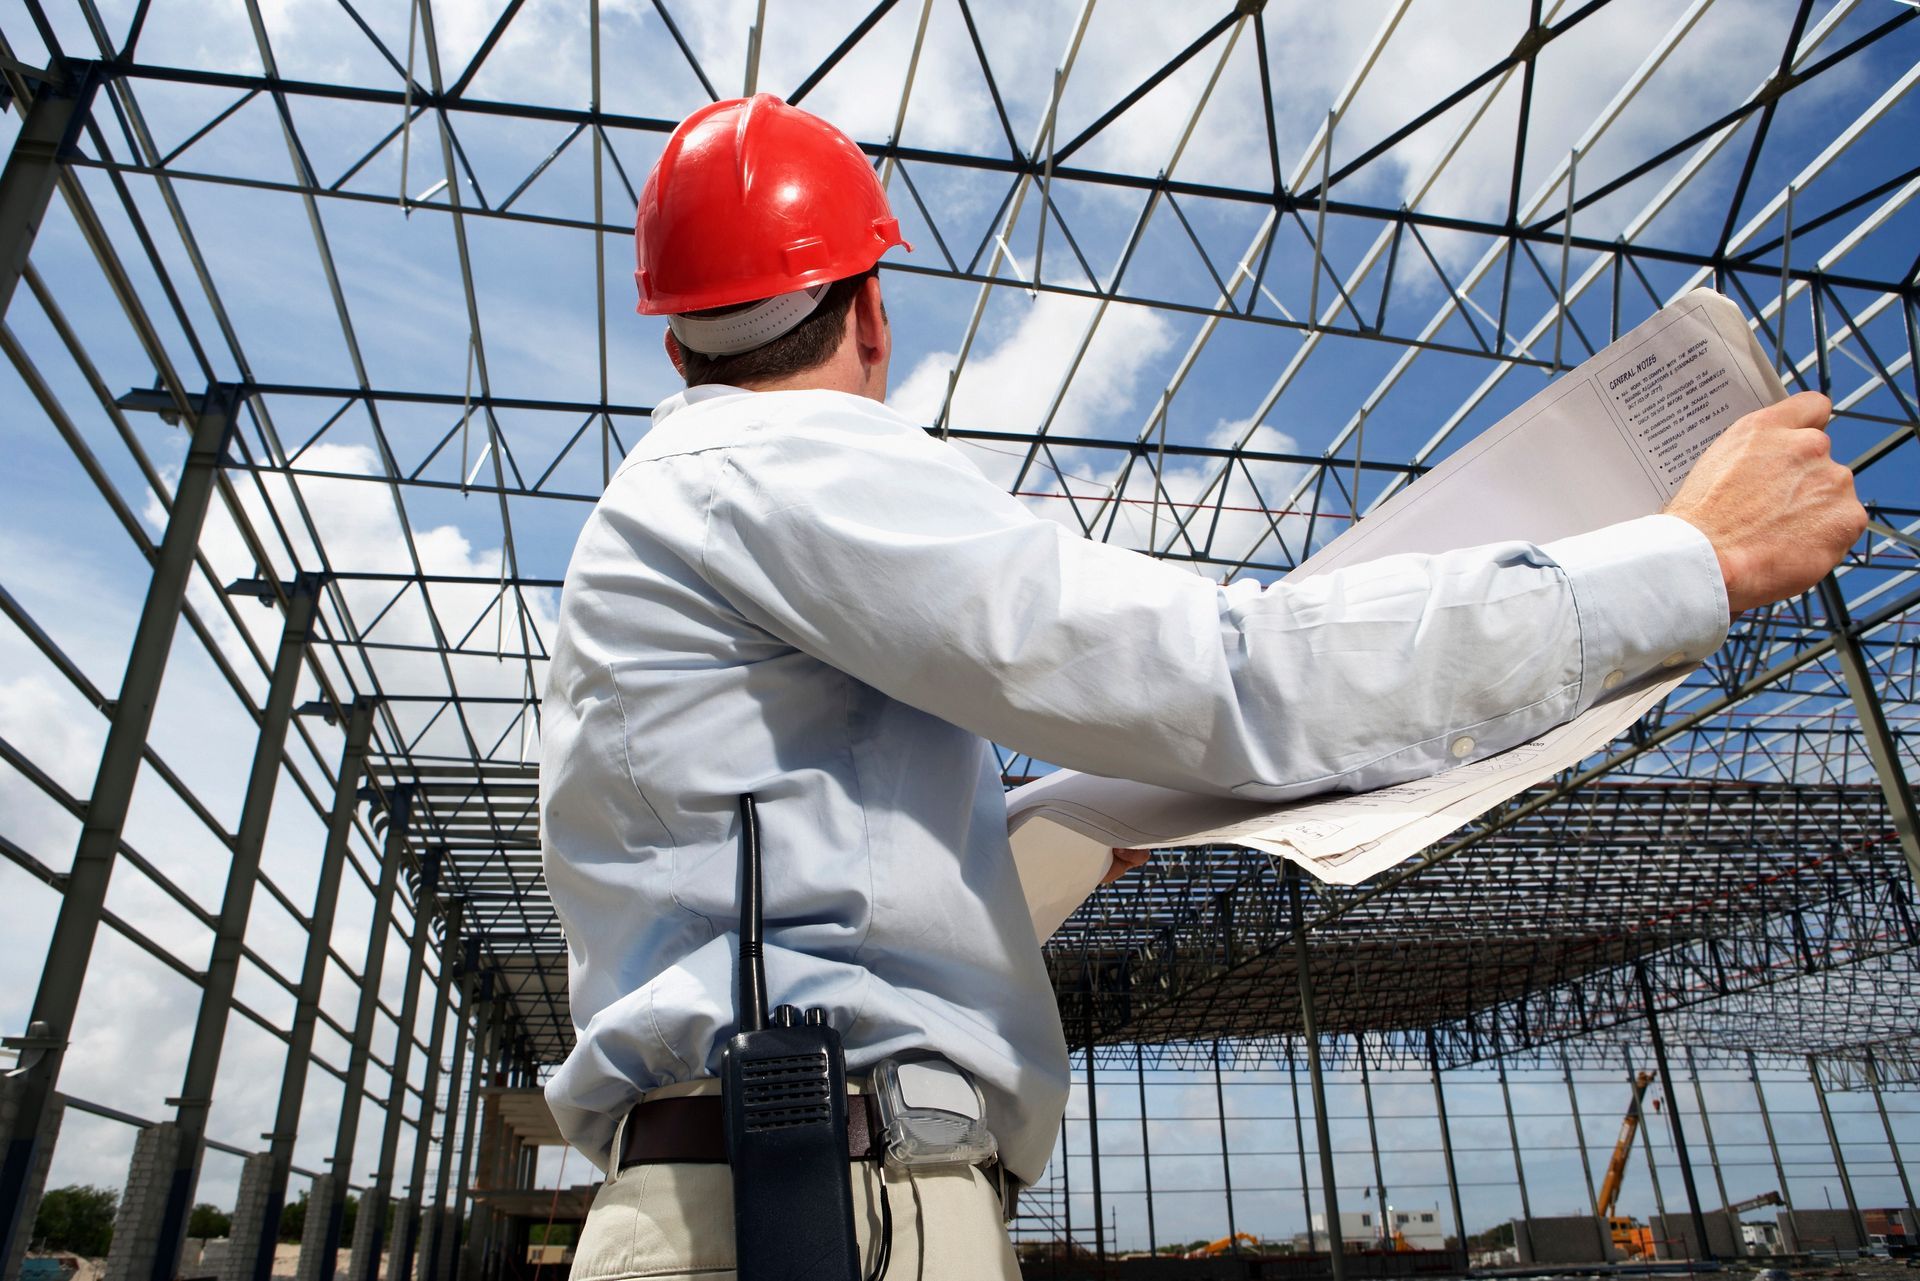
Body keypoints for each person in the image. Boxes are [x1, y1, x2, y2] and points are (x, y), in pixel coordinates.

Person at [539, 94, 1864, 1280]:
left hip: (778, 1193)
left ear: (679, 344)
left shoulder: (678, 513)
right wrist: (1692, 561)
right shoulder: (780, 463)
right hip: (823, 1210)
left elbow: (825, 897)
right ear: (872, 311)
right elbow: (1244, 676)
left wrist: (1065, 833)